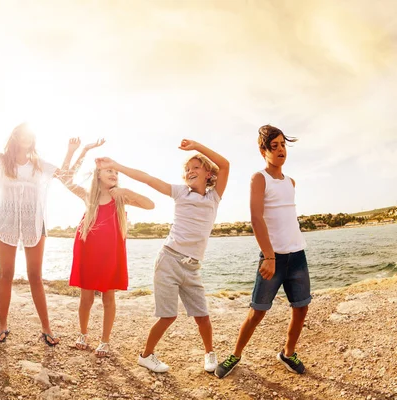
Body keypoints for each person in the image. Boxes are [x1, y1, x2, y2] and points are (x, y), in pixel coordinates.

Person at [96, 138, 230, 373]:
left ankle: (209, 353)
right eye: (187, 169)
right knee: (168, 316)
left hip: (192, 267)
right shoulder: (180, 193)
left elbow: (225, 164)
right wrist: (116, 165)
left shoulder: (213, 197)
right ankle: (146, 356)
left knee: (202, 316)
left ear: (208, 173)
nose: (190, 172)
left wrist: (197, 147)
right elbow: (148, 179)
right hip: (169, 260)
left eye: (196, 167)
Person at [0, 97, 85, 346]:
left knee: (35, 276)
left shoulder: (39, 165)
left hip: (33, 221)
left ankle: (46, 328)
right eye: (23, 135)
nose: (27, 139)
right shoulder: (1, 160)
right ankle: (2, 325)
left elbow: (66, 177)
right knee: (6, 274)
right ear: (15, 137)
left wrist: (71, 152)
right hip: (7, 218)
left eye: (31, 136)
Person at [215, 125, 309, 378]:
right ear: (263, 151)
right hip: (273, 258)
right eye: (274, 146)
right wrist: (268, 255)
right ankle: (235, 354)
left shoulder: (291, 182)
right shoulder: (259, 178)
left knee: (301, 308)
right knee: (257, 311)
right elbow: (256, 218)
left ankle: (288, 353)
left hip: (297, 255)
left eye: (283, 145)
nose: (280, 150)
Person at [62, 138, 154, 357]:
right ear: (98, 175)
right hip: (88, 252)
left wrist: (127, 191)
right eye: (109, 171)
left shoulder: (119, 197)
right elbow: (63, 176)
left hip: (110, 254)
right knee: (86, 298)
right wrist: (78, 150)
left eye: (116, 172)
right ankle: (82, 334)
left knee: (108, 298)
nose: (114, 174)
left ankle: (105, 341)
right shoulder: (89, 197)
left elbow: (150, 205)